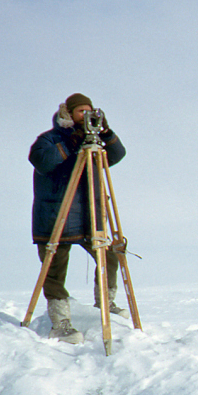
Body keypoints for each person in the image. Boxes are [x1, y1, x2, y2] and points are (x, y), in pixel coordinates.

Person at [29, 93, 127, 344]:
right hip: (55, 215)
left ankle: (106, 304)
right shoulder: (50, 139)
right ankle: (61, 322)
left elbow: (116, 155)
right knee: (55, 268)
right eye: (81, 111)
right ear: (68, 113)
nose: (86, 116)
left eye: (90, 111)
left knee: (110, 256)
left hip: (88, 216)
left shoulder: (91, 141)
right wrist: (71, 144)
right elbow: (41, 160)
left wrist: (105, 133)